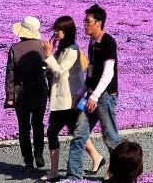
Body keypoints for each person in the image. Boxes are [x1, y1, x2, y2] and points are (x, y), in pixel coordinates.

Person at [67, 5, 120, 180]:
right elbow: (91, 70)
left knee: (110, 138)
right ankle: (74, 177)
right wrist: (81, 92)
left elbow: (108, 72)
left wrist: (95, 96)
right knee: (79, 135)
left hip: (104, 97)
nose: (84, 24)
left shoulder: (108, 42)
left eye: (88, 21)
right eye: (85, 20)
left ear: (99, 23)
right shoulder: (92, 42)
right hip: (91, 95)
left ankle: (120, 174)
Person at [44, 16, 86, 182]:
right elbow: (53, 69)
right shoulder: (62, 48)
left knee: (57, 132)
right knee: (75, 133)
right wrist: (48, 59)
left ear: (67, 31)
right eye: (55, 29)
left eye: (59, 29)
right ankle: (55, 171)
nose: (56, 32)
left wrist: (48, 55)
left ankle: (57, 172)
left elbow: (60, 71)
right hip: (61, 99)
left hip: (68, 100)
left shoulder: (73, 50)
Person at [8, 16, 51, 172]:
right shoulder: (44, 47)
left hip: (22, 94)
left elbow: (11, 74)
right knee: (38, 124)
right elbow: (50, 70)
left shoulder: (15, 48)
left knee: (24, 128)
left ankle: (28, 161)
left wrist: (10, 96)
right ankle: (39, 154)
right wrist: (52, 92)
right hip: (40, 92)